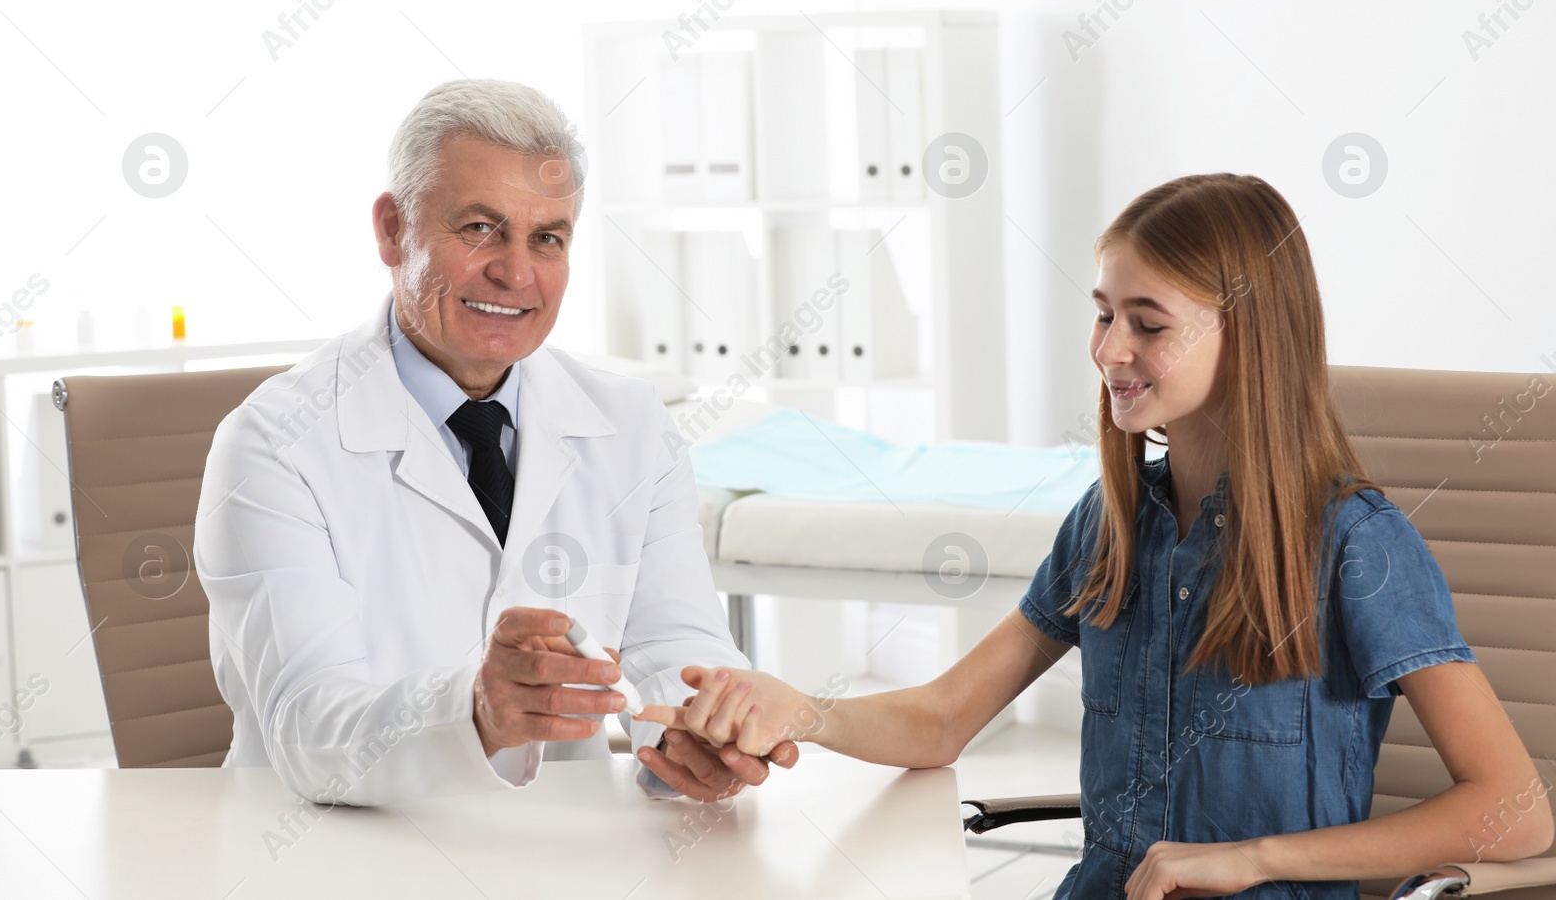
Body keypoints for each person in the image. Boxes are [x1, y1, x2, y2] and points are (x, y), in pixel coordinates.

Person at [641, 174, 1554, 897]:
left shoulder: (1358, 547)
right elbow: (943, 718)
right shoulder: (1109, 528)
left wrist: (1251, 858)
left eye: (1147, 324)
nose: (1108, 349)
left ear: (1250, 340)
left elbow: (1517, 813)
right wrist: (799, 709)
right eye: (1104, 312)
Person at [196, 78, 795, 806]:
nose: (515, 273)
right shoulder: (271, 445)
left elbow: (678, 644)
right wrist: (476, 710)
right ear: (392, 230)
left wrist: (696, 734)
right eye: (480, 228)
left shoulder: (632, 425)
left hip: (557, 853)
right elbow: (307, 729)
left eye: (547, 238)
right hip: (332, 854)